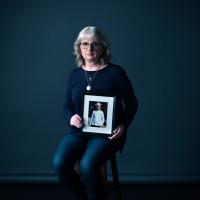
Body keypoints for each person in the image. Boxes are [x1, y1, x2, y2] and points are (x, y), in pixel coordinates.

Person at [53, 26, 138, 200]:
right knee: (59, 163)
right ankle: (79, 196)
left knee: (87, 165)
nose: (89, 49)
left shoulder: (116, 73)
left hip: (108, 134)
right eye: (84, 44)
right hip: (79, 132)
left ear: (103, 47)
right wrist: (71, 118)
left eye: (94, 44)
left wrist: (123, 125)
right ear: (79, 48)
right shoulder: (74, 75)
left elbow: (132, 104)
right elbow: (66, 106)